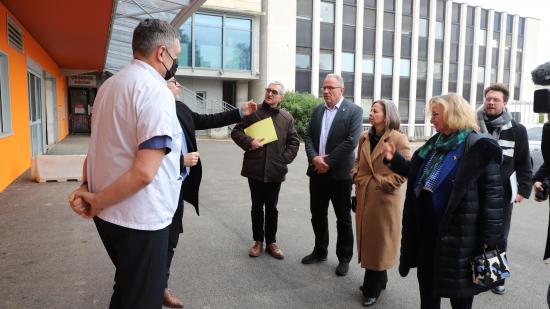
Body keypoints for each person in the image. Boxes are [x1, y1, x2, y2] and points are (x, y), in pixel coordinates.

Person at [68, 19, 183, 309]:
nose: (175, 62)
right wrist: (94, 198)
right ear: (161, 53)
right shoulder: (156, 92)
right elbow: (145, 172)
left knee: (128, 288)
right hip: (141, 218)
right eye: (175, 55)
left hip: (109, 216)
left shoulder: (109, 86)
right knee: (142, 298)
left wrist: (89, 189)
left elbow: (99, 147)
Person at [383, 93, 504, 309]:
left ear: (452, 115)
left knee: (460, 295)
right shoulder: (435, 143)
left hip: (461, 237)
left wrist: (490, 238)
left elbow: (493, 197)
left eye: (435, 114)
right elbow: (415, 172)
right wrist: (393, 159)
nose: (431, 120)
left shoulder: (479, 147)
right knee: (428, 291)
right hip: (428, 233)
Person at [163, 78, 258, 308]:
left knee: (170, 239)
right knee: (156, 241)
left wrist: (239, 112)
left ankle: (160, 286)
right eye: (173, 81)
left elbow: (207, 120)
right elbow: (144, 152)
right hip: (157, 188)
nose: (178, 85)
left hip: (178, 185)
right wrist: (180, 161)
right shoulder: (152, 110)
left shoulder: (180, 108)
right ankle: (150, 289)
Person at [350, 100, 411, 306]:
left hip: (384, 199)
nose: (371, 114)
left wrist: (386, 184)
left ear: (387, 115)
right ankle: (380, 279)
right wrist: (355, 176)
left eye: (375, 111)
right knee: (369, 240)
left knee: (379, 242)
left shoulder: (397, 138)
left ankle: (371, 288)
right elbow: (358, 161)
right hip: (364, 193)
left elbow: (405, 171)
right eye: (371, 110)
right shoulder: (365, 137)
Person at [302, 73, 363, 276]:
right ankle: (320, 251)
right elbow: (308, 136)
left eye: (331, 88)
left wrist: (326, 161)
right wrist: (314, 159)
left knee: (343, 218)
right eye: (324, 87)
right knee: (317, 215)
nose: (326, 91)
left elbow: (351, 141)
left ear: (342, 90)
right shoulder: (318, 110)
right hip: (317, 173)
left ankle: (344, 258)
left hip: (340, 175)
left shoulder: (354, 111)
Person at [231, 81, 300, 259]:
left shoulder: (286, 118)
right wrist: (249, 142)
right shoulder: (253, 112)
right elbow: (236, 132)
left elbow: (294, 141)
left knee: (272, 208)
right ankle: (257, 242)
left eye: (274, 92)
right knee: (256, 207)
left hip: (275, 172)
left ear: (281, 97)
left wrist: (283, 160)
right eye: (268, 90)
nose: (270, 94)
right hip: (255, 168)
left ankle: (271, 242)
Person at [476, 83, 532, 295]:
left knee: (499, 236)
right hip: (475, 190)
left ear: (505, 103)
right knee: (473, 232)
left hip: (503, 192)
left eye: (496, 99)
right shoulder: (472, 124)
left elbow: (524, 162)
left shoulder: (518, 130)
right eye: (488, 98)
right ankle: (477, 274)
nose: (491, 102)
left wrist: (523, 190)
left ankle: (496, 278)